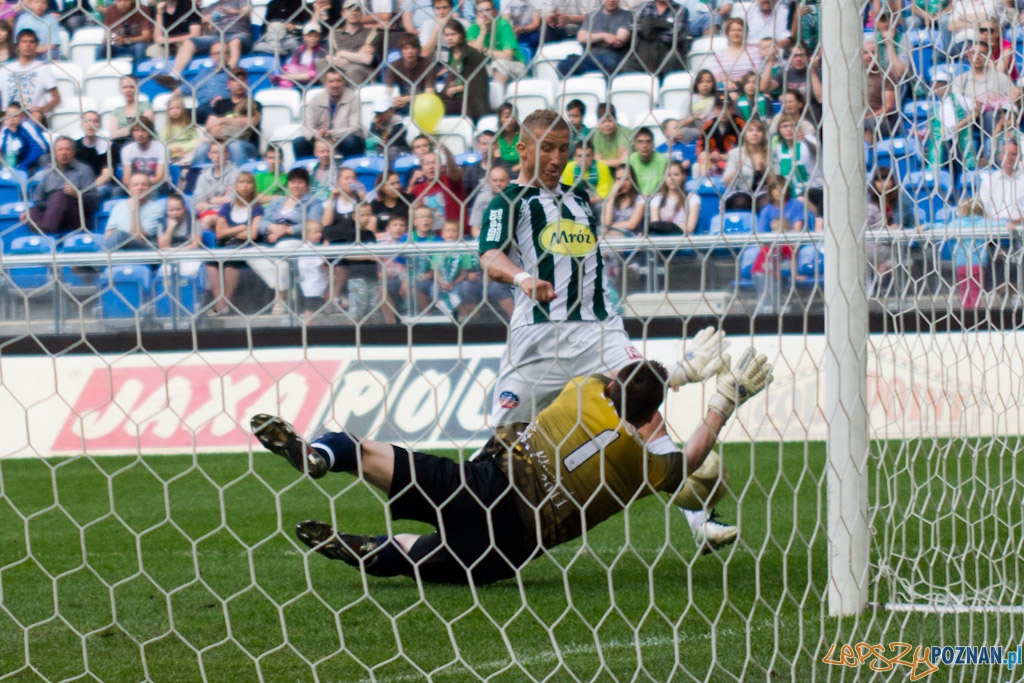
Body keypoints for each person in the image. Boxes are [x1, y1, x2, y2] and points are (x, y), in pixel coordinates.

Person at [250, 341, 773, 583]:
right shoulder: (643, 464)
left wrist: (681, 371)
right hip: (516, 546)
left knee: (375, 456)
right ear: (650, 415)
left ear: (613, 386)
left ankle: (321, 454)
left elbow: (622, 379)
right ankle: (369, 552)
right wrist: (721, 404)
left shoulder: (582, 391)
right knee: (427, 558)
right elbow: (691, 456)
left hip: (488, 485)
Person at [478, 109, 743, 549]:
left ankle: (701, 523)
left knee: (646, 415)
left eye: (564, 149)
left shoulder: (579, 198)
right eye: (546, 148)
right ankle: (461, 519)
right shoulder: (507, 203)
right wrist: (524, 279)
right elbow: (488, 257)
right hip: (539, 340)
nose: (556, 158)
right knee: (502, 444)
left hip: (600, 330)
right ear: (523, 149)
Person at [248, 167, 326, 315]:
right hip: (274, 238)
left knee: (283, 249)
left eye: (300, 182)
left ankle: (281, 297)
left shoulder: (313, 202)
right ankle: (283, 287)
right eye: (292, 182)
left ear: (307, 184)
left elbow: (312, 224)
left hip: (298, 240)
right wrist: (273, 227)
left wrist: (288, 230)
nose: (295, 185)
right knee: (251, 254)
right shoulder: (277, 202)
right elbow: (262, 223)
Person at [156, 0, 252, 86]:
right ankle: (174, 75)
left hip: (237, 34)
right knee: (189, 42)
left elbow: (247, 12)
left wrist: (231, 12)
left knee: (235, 42)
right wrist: (206, 23)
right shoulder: (212, 7)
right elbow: (206, 31)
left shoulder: (240, 1)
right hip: (215, 36)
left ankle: (229, 76)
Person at [951, 41, 1019, 162]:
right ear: (968, 54)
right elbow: (953, 104)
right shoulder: (960, 80)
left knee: (989, 115)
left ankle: (993, 157)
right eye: (973, 53)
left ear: (988, 56)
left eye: (981, 53)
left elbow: (1013, 102)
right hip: (967, 120)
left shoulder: (1000, 78)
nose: (977, 56)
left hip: (993, 120)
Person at [208, 172, 263, 315]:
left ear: (253, 186)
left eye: (248, 182)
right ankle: (220, 301)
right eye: (241, 182)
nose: (244, 186)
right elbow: (220, 232)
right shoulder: (227, 207)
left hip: (245, 247)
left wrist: (230, 231)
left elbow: (252, 234)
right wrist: (241, 227)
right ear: (236, 185)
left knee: (230, 263)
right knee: (210, 262)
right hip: (225, 245)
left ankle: (221, 304)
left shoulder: (257, 209)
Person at [752, 174, 806, 315]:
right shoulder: (766, 210)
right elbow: (761, 235)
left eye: (782, 188)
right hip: (766, 267)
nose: (778, 192)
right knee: (767, 296)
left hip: (786, 247)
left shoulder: (795, 205)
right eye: (775, 189)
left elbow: (797, 230)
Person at [27, 136, 98, 236]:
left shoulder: (84, 170)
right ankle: (48, 226)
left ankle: (47, 231)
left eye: (67, 149)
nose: (64, 153)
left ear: (73, 152)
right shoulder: (48, 171)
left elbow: (94, 201)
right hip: (52, 215)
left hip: (76, 218)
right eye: (60, 150)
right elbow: (38, 201)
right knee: (31, 212)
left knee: (61, 195)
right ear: (55, 153)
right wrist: (55, 205)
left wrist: (78, 194)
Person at [193, 69, 262, 166]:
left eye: (242, 80)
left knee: (235, 147)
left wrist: (223, 120)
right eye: (235, 80)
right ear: (228, 84)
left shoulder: (254, 103)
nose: (239, 83)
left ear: (247, 83)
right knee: (203, 148)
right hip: (220, 142)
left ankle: (238, 178)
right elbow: (209, 125)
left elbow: (251, 122)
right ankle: (196, 176)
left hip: (245, 143)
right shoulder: (221, 104)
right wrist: (214, 128)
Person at [294, 70, 365, 161]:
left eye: (338, 81)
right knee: (299, 142)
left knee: (351, 140)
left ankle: (351, 168)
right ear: (325, 84)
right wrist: (315, 134)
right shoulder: (316, 100)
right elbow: (305, 127)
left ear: (344, 82)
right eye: (331, 81)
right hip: (320, 141)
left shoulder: (353, 99)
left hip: (342, 140)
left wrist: (331, 133)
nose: (335, 85)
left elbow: (355, 127)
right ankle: (305, 170)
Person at [557, 0, 634, 76]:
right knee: (563, 65)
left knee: (611, 63)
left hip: (612, 56)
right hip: (589, 57)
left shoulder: (627, 15)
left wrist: (591, 38)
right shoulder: (591, 16)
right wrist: (604, 36)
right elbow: (581, 37)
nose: (611, 1)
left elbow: (619, 40)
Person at [468, 0, 529, 90]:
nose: (484, 14)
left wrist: (484, 50)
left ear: (495, 12)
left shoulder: (503, 25)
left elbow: (507, 56)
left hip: (515, 65)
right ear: (476, 15)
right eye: (480, 11)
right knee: (471, 68)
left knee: (499, 64)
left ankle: (500, 101)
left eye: (487, 10)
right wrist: (483, 30)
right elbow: (474, 54)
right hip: (489, 66)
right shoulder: (473, 28)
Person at [439, 18, 491, 122]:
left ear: (461, 35)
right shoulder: (449, 54)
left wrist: (457, 89)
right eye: (447, 35)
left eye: (453, 34)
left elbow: (477, 82)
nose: (449, 38)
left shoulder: (472, 54)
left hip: (471, 100)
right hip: (454, 99)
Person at [0, 30, 58, 121]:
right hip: (8, 115)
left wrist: (42, 109)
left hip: (31, 115)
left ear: (36, 46)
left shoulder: (43, 68)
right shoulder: (5, 69)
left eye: (31, 42)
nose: (28, 45)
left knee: (36, 115)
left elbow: (56, 98)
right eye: (24, 42)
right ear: (18, 45)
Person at [321, 0, 382, 86]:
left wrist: (342, 54)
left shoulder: (371, 33)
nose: (353, 13)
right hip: (338, 68)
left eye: (356, 10)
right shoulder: (335, 34)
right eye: (349, 10)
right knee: (321, 63)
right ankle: (330, 93)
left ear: (361, 14)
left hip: (361, 70)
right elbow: (328, 56)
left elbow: (367, 60)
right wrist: (357, 56)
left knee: (353, 70)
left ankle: (353, 97)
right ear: (343, 13)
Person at [623, 0, 688, 76]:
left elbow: (676, 33)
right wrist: (664, 25)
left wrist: (650, 28)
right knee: (626, 66)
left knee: (673, 60)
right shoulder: (644, 6)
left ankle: (665, 86)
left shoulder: (680, 9)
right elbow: (633, 26)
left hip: (668, 51)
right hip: (645, 51)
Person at [411, 146, 466, 233]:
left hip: (457, 235)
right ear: (422, 168)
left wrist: (448, 154)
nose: (431, 167)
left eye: (434, 163)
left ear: (442, 166)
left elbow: (455, 173)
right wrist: (411, 183)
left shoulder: (450, 180)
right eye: (427, 164)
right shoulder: (417, 189)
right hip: (432, 239)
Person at [104, 173, 163, 250]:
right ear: (129, 188)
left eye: (144, 185)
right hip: (121, 249)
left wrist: (134, 209)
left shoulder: (156, 209)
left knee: (119, 234)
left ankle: (97, 260)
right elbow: (108, 236)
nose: (140, 188)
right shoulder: (118, 207)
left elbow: (138, 236)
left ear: (150, 188)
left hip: (145, 249)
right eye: (135, 185)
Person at [384, 33, 437, 116]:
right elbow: (387, 94)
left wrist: (407, 99)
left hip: (424, 106)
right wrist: (394, 101)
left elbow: (429, 96)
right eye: (405, 48)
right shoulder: (394, 66)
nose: (410, 52)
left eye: (413, 48)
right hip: (404, 106)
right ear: (401, 50)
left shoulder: (428, 65)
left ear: (418, 49)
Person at [723, 117, 769, 211]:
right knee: (741, 202)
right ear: (745, 134)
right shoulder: (736, 153)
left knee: (766, 203)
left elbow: (776, 181)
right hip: (742, 191)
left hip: (764, 192)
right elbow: (726, 182)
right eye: (750, 130)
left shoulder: (770, 153)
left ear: (763, 134)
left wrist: (766, 169)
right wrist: (736, 170)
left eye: (758, 131)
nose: (754, 134)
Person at [107, 76, 155, 165]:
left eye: (132, 87)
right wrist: (134, 128)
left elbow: (146, 126)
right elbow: (113, 135)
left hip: (142, 144)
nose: (128, 90)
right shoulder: (117, 110)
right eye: (125, 87)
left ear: (138, 88)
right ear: (121, 89)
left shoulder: (146, 105)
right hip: (121, 146)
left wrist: (123, 131)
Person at [192, 143, 241, 230]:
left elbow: (231, 200)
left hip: (228, 212)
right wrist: (220, 200)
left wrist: (208, 200)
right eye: (214, 152)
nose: (218, 156)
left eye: (221, 152)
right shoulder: (203, 175)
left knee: (206, 220)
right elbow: (197, 202)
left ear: (227, 154)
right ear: (209, 155)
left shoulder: (235, 173)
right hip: (207, 212)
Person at [976, 138, 1024, 225]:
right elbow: (983, 210)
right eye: (1005, 154)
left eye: (1013, 154)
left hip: (1019, 231)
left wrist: (1015, 222)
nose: (1009, 157)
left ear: (1020, 157)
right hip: (994, 232)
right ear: (1001, 155)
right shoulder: (990, 181)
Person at [709, 18, 761, 91]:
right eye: (732, 30)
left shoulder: (754, 52)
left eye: (739, 30)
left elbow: (756, 73)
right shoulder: (720, 53)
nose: (736, 33)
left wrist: (734, 80)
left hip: (747, 88)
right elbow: (715, 75)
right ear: (728, 33)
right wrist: (725, 82)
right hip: (724, 87)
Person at [648, 161, 700, 234]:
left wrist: (666, 226)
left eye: (676, 174)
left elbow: (690, 228)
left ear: (683, 176)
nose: (671, 178)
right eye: (668, 175)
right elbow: (655, 225)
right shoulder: (657, 199)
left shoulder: (692, 198)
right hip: (661, 240)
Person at [561, 139, 614, 207]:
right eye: (580, 156)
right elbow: (567, 192)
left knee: (600, 206)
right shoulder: (568, 168)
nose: (584, 160)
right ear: (575, 157)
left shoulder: (602, 167)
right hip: (577, 201)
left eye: (587, 155)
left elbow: (603, 195)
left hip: (597, 202)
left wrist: (585, 200)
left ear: (593, 156)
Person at [273, 23, 327, 89]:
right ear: (304, 37)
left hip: (312, 81)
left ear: (319, 37)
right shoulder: (298, 50)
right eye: (310, 36)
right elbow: (290, 66)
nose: (313, 39)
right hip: (296, 77)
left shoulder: (322, 53)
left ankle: (285, 77)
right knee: (284, 83)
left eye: (316, 36)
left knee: (314, 74)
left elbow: (316, 74)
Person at [76, 111, 114, 199]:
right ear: (82, 124)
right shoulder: (75, 146)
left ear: (99, 124)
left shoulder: (107, 145)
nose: (91, 124)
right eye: (87, 121)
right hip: (80, 184)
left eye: (95, 121)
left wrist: (89, 188)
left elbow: (107, 175)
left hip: (100, 185)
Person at [120, 118, 167, 189]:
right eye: (136, 130)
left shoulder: (161, 147)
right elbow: (126, 179)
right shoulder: (127, 149)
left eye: (144, 130)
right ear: (132, 132)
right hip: (135, 185)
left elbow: (160, 177)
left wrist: (142, 186)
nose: (140, 134)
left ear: (149, 132)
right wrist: (137, 186)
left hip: (156, 185)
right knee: (116, 192)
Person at [0, 101, 47, 173]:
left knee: (44, 158)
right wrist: (12, 134)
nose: (12, 119)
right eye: (9, 116)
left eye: (15, 116)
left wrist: (23, 165)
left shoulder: (27, 126)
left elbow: (41, 148)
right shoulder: (5, 129)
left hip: (32, 161)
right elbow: (4, 149)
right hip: (16, 161)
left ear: (22, 116)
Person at [602, 165, 646, 236]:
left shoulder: (640, 199)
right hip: (610, 234)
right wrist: (612, 196)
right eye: (619, 179)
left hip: (629, 235)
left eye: (626, 179)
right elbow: (606, 222)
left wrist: (611, 227)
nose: (622, 183)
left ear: (633, 180)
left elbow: (632, 224)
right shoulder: (612, 199)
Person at [469, 164, 511, 236]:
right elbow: (475, 229)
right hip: (487, 238)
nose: (498, 184)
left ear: (508, 181)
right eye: (494, 180)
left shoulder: (515, 198)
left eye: (502, 180)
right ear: (488, 182)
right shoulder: (482, 199)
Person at [678, 69, 718, 144]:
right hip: (695, 131)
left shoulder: (717, 99)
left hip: (713, 131)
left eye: (708, 81)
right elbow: (680, 124)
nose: (705, 85)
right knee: (684, 132)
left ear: (713, 84)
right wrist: (694, 118)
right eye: (701, 82)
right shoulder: (689, 99)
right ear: (697, 84)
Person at [365, 97, 410, 161]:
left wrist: (382, 139)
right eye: (378, 113)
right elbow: (371, 140)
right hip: (381, 151)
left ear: (391, 111)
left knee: (392, 150)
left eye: (383, 112)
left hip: (398, 151)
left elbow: (394, 141)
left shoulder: (398, 123)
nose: (381, 115)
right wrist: (377, 128)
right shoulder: (374, 123)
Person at [161, 95, 201, 167]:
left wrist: (184, 148)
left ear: (183, 110)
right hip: (173, 154)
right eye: (171, 108)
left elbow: (196, 140)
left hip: (188, 153)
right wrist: (174, 147)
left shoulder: (189, 126)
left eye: (178, 108)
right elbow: (162, 143)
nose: (175, 110)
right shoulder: (165, 129)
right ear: (168, 111)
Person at [628, 127, 668, 196]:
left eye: (648, 142)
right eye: (640, 142)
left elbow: (664, 185)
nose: (644, 146)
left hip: (657, 197)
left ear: (653, 144)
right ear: (635, 145)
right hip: (635, 198)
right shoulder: (630, 160)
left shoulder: (662, 159)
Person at [591, 103, 630, 170]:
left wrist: (602, 161)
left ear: (616, 119)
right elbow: (597, 162)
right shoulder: (597, 135)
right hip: (605, 172)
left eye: (610, 120)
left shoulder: (624, 133)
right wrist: (615, 161)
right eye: (603, 122)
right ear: (598, 122)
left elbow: (623, 162)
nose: (607, 125)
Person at [493, 103, 521, 170]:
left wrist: (513, 169)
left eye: (513, 117)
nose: (510, 120)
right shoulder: (495, 138)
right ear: (500, 118)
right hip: (501, 173)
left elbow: (526, 160)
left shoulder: (522, 135)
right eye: (506, 117)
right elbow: (497, 161)